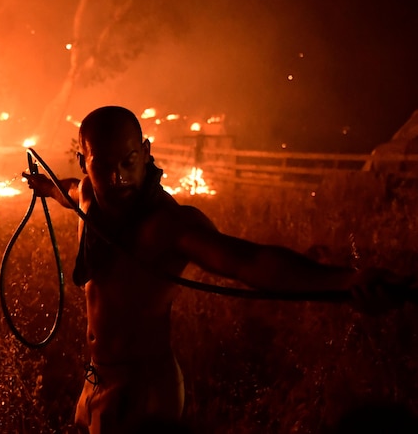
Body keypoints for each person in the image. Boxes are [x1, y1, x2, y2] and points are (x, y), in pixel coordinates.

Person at [22, 106, 413, 434]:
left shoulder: (170, 225)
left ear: (145, 152)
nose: (117, 178)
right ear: (84, 161)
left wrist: (346, 281)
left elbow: (249, 261)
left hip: (144, 389)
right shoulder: (89, 195)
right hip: (96, 379)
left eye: (128, 162)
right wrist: (47, 186)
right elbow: (71, 189)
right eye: (102, 166)